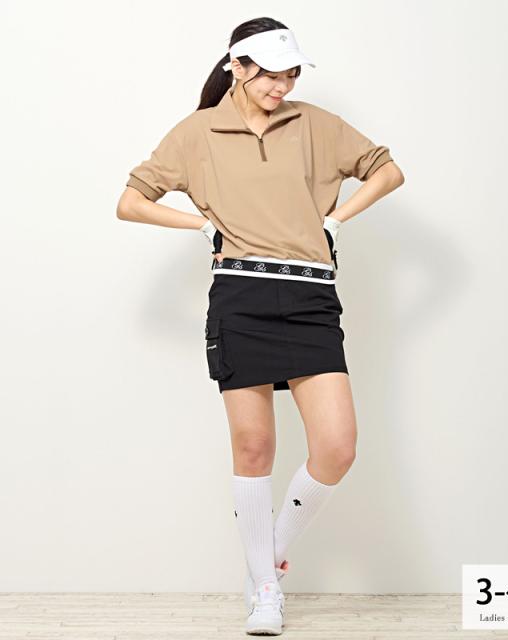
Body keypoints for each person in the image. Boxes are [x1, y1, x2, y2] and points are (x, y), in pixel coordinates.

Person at [116, 16, 405, 636]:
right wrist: (202, 226)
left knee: (337, 447)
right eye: (271, 74)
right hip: (241, 297)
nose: (283, 86)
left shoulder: (315, 124)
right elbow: (131, 201)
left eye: (291, 74)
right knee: (253, 447)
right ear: (237, 67)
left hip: (311, 297)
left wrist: (336, 221)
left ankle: (265, 555)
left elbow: (387, 170)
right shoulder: (197, 132)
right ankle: (266, 591)